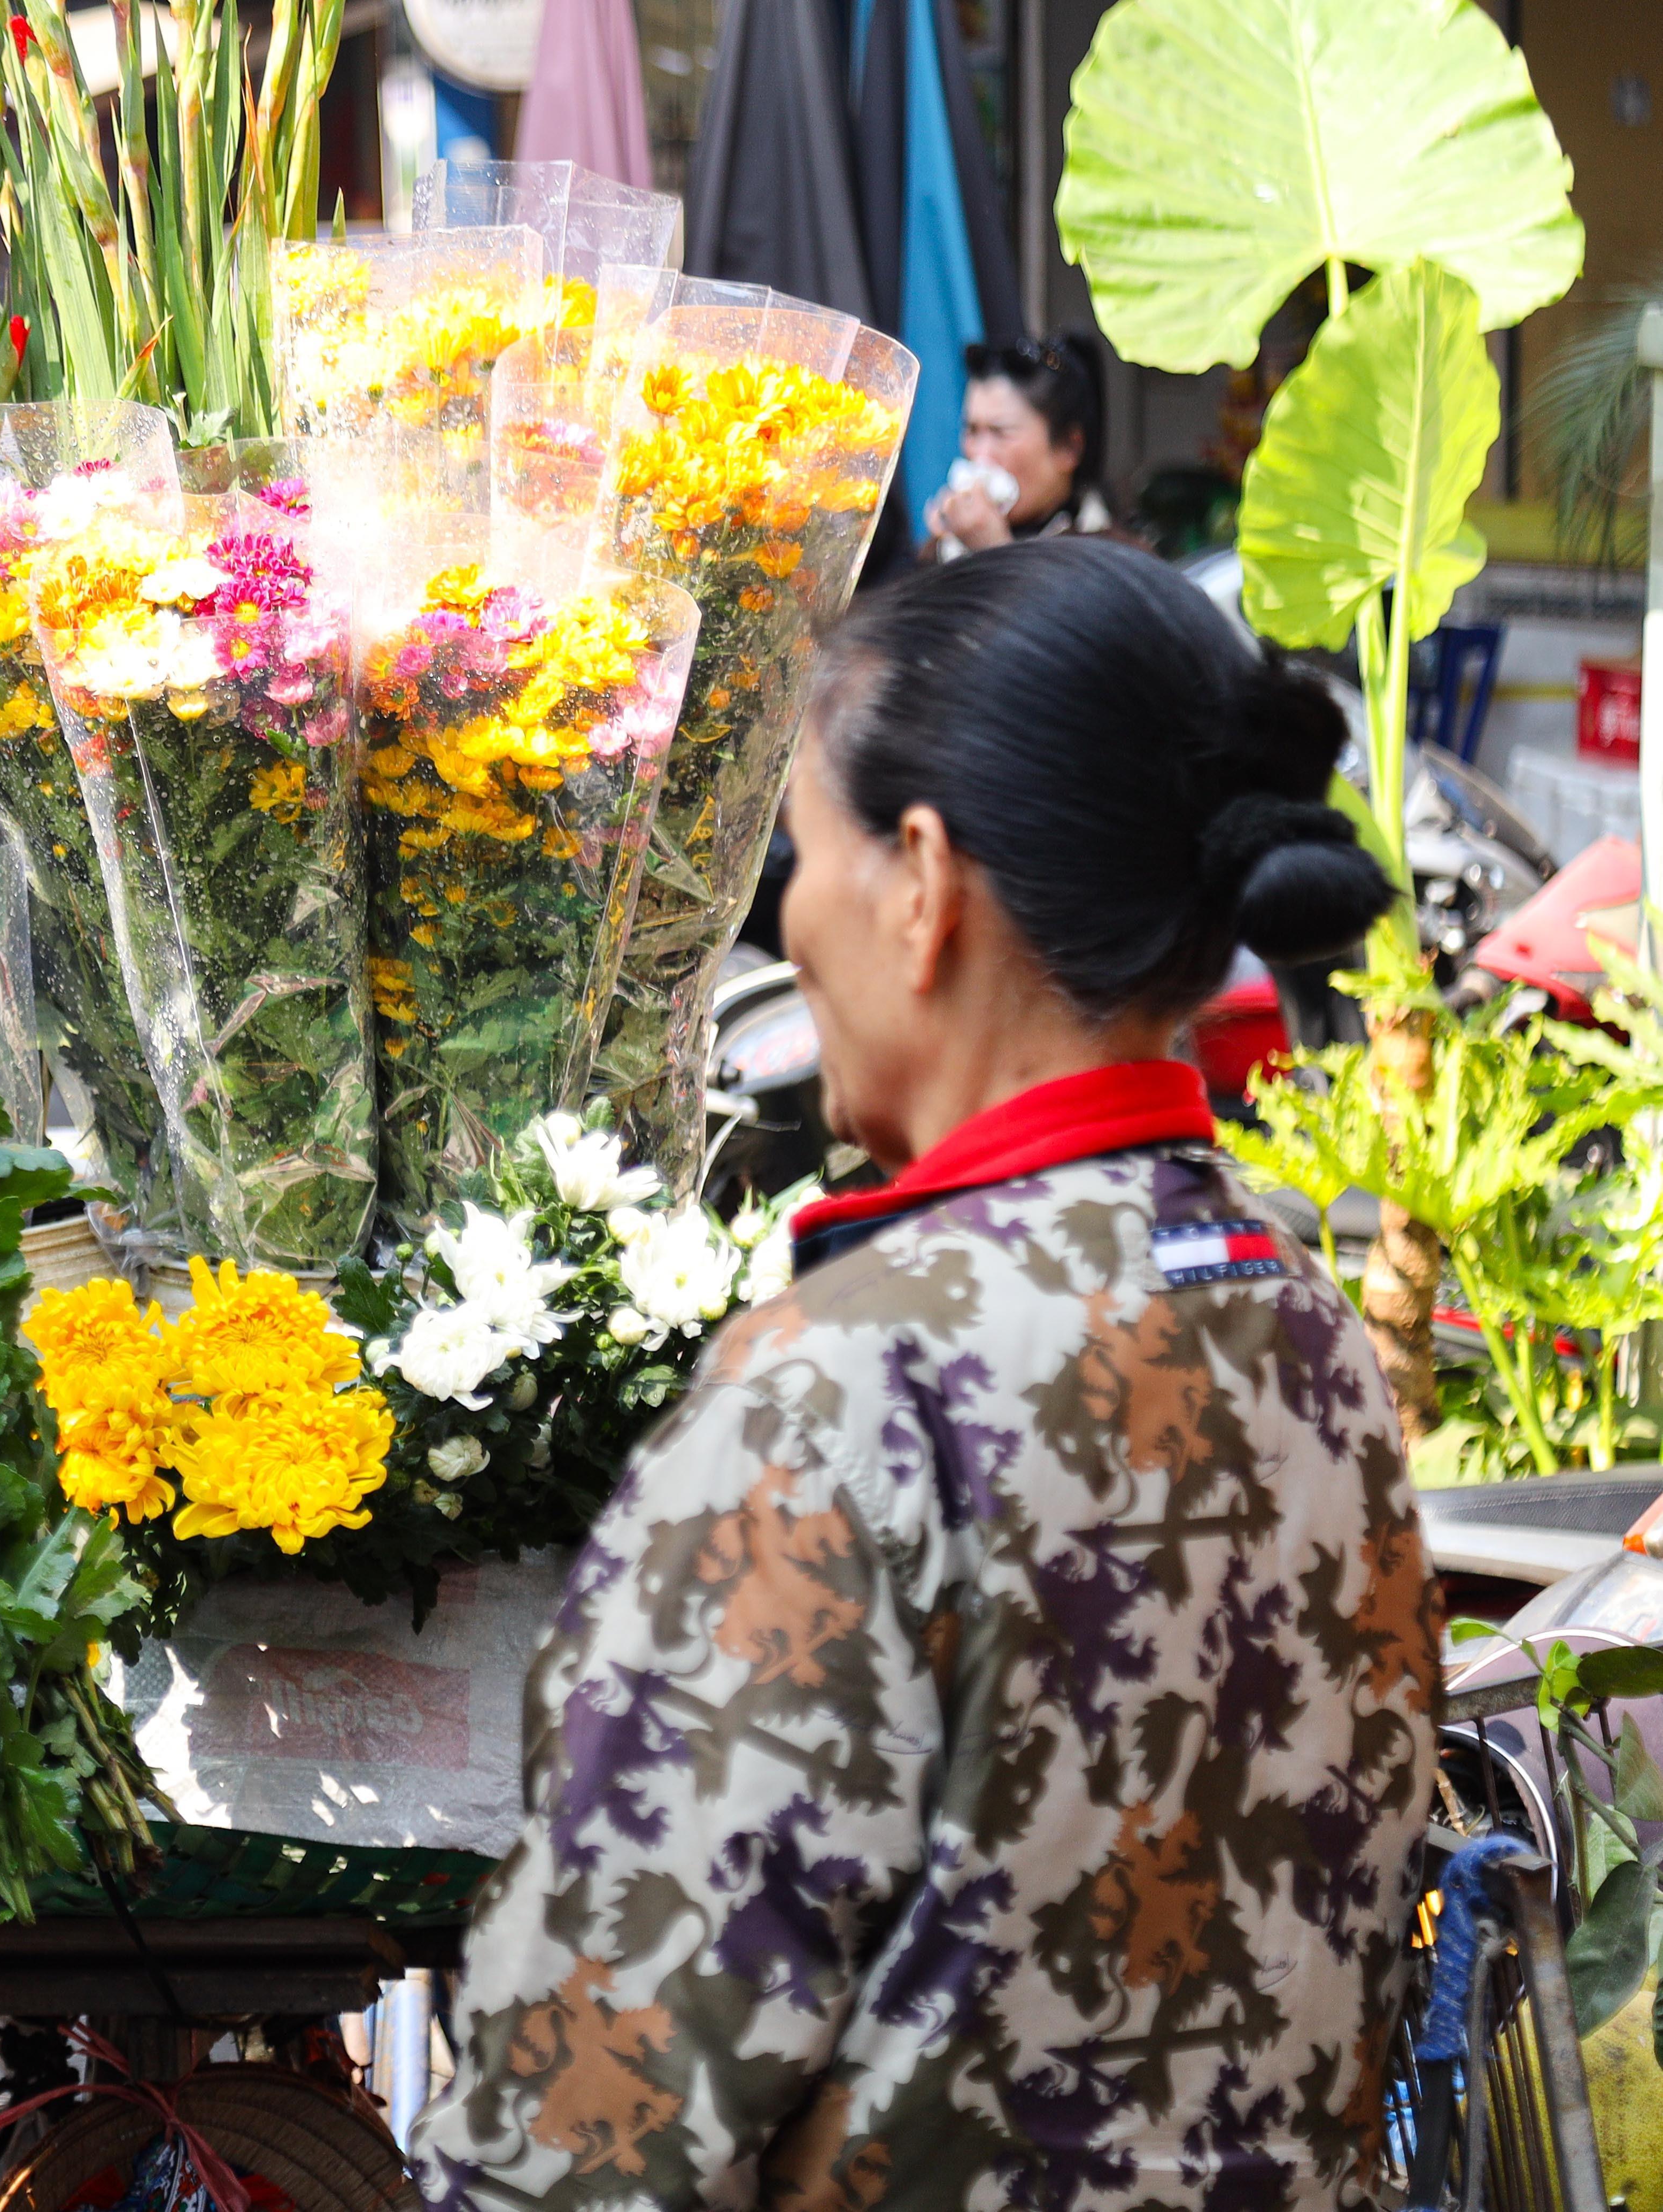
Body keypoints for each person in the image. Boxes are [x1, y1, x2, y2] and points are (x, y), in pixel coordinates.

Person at [411, 538, 1430, 2207]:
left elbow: (585, 2129)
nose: (791, 921)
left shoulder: (844, 1390)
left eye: (799, 854)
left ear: (921, 882)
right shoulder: (1304, 1317)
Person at [921, 332, 1117, 557]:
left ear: (1068, 447)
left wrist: (994, 550)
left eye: (1000, 433)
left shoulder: (1114, 558)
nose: (980, 456)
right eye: (973, 431)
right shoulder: (942, 549)